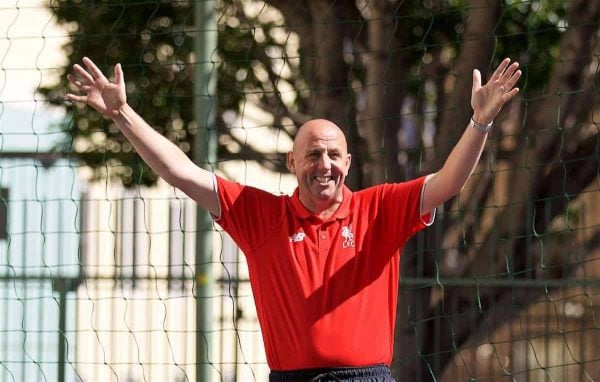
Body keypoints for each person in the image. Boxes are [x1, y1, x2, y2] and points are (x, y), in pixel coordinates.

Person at [67, 57, 520, 382]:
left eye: (333, 155)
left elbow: (449, 183)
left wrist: (480, 121)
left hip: (367, 378)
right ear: (292, 162)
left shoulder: (378, 209)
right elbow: (179, 171)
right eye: (313, 154)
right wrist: (122, 113)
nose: (324, 164)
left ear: (348, 161)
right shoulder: (259, 215)